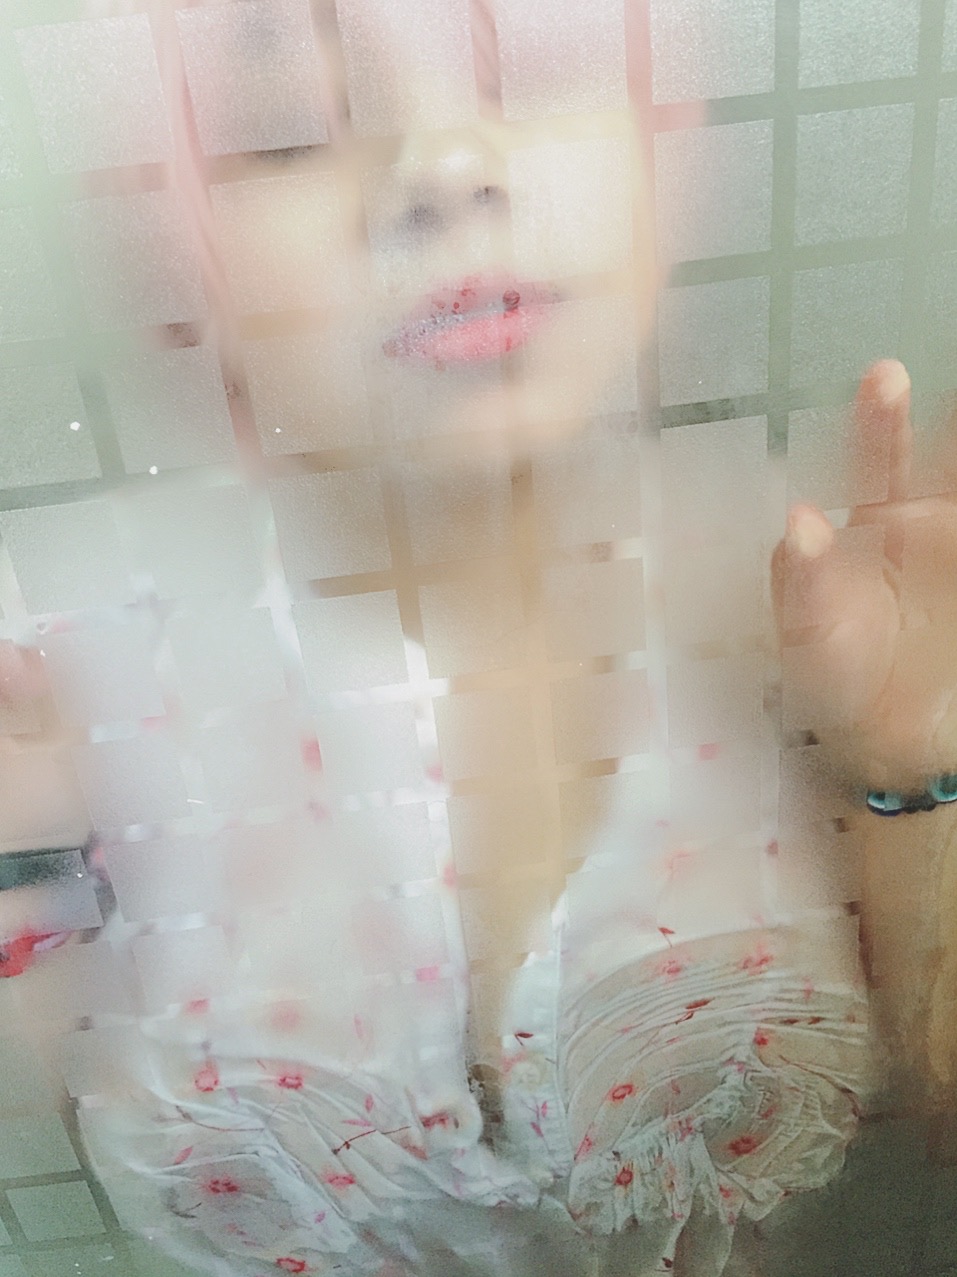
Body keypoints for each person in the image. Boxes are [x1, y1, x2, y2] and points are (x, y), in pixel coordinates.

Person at [2, 2, 956, 1274]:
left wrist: (912, 768)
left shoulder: (840, 579)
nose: (447, 168)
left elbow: (934, 1123)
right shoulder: (50, 649)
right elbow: (39, 1163)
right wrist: (26, 873)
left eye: (539, 69)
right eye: (293, 124)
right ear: (175, 247)